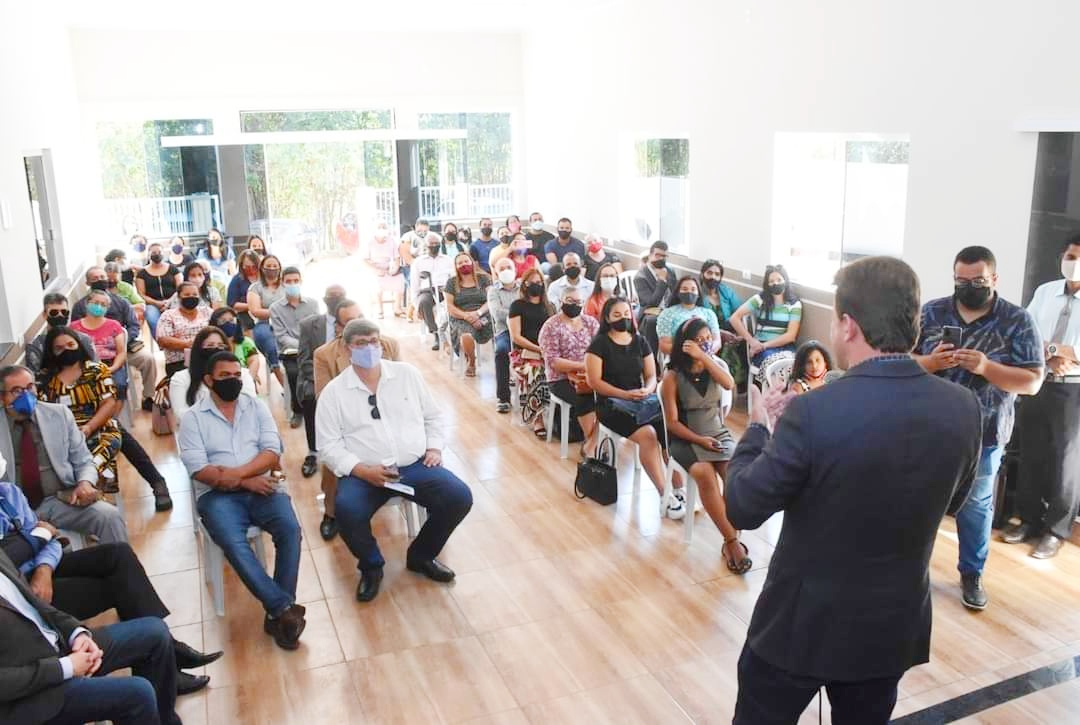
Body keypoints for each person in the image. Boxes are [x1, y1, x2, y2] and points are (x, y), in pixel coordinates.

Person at [725, 255, 982, 725]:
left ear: (847, 325)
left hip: (799, 626)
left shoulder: (815, 411)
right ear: (916, 323)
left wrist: (759, 430)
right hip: (890, 626)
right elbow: (955, 502)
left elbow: (743, 505)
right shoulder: (963, 408)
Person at [0, 472, 219, 696]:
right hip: (22, 596)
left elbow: (52, 540)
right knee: (124, 588)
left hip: (41, 569)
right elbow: (11, 556)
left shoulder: (9, 493)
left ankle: (167, 655)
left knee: (119, 555)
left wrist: (44, 566)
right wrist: (39, 536)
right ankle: (165, 663)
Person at [911, 246, 1043, 609]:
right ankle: (909, 570)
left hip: (985, 432)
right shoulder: (933, 312)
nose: (968, 287)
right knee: (922, 501)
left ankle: (971, 573)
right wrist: (930, 362)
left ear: (994, 279)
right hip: (931, 428)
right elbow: (905, 361)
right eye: (961, 281)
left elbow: (1032, 381)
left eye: (978, 281)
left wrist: (987, 368)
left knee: (976, 506)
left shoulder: (1017, 320)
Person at [316, 319, 473, 602]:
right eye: (361, 343)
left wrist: (434, 448)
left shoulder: (406, 375)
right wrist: (362, 470)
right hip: (363, 473)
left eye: (374, 341)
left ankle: (421, 556)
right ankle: (372, 567)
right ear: (347, 348)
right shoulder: (334, 393)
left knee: (459, 497)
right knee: (347, 511)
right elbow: (328, 446)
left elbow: (433, 416)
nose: (369, 348)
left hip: (413, 465)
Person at [178, 352, 306, 650]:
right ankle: (282, 609)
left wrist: (237, 475)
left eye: (237, 375)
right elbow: (201, 470)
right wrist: (246, 480)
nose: (233, 381)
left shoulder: (256, 407)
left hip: (262, 487)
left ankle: (279, 614)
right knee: (234, 544)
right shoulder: (192, 419)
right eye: (225, 377)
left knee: (290, 531)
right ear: (209, 381)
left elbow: (272, 452)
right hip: (217, 497)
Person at [0, 547, 182, 725]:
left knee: (155, 633)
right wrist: (66, 667)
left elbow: (38, 606)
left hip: (58, 648)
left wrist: (77, 633)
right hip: (32, 697)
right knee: (138, 694)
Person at [1006, 234, 1080, 559]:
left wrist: (1070, 353)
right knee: (1031, 451)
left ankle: (1056, 530)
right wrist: (1053, 352)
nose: (1072, 263)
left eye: (1078, 257)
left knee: (1066, 462)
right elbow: (1028, 332)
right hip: (1038, 378)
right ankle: (1028, 520)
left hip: (1073, 387)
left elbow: (1072, 351)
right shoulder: (1045, 291)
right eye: (1069, 255)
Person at [0, 365, 127, 544]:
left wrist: (85, 483)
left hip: (60, 500)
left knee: (109, 517)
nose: (26, 395)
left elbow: (84, 460)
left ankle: (121, 570)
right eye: (16, 391)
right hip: (15, 511)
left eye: (30, 388)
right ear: (2, 397)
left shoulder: (58, 415)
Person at [661, 317, 749, 573]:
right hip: (687, 437)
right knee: (704, 475)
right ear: (684, 344)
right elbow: (672, 423)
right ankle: (732, 542)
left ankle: (731, 536)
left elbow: (729, 384)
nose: (704, 344)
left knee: (733, 474)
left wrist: (706, 357)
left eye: (707, 339)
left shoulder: (714, 367)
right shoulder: (672, 377)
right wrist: (700, 440)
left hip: (717, 433)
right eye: (698, 340)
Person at [585, 298, 685, 519]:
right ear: (607, 319)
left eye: (626, 313)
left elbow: (651, 375)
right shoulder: (599, 344)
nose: (624, 318)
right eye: (617, 315)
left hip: (640, 401)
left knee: (670, 430)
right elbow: (595, 382)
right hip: (611, 404)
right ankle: (664, 493)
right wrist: (624, 394)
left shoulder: (640, 341)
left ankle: (679, 488)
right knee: (648, 435)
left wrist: (648, 390)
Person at [313, 300, 400, 542]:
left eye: (361, 316)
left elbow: (400, 387)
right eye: (351, 321)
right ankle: (331, 513)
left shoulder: (388, 345)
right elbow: (323, 398)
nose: (360, 324)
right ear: (340, 328)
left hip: (386, 415)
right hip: (347, 421)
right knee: (334, 455)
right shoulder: (325, 355)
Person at [38, 328, 123, 490]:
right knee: (64, 466)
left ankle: (85, 490)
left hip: (100, 429)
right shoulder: (44, 379)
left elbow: (109, 403)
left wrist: (89, 428)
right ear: (51, 351)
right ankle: (92, 495)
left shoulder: (96, 370)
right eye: (59, 348)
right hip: (62, 437)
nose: (67, 350)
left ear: (79, 345)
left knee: (93, 461)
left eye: (71, 345)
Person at [72, 267, 158, 413]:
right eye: (95, 278)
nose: (100, 280)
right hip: (92, 354)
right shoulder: (79, 306)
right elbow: (75, 335)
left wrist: (122, 340)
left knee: (148, 359)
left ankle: (148, 397)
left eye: (102, 276)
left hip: (123, 348)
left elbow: (133, 326)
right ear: (87, 282)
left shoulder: (121, 303)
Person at [539, 286, 601, 457]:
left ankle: (593, 442)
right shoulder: (551, 326)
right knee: (585, 398)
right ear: (561, 302)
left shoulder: (591, 323)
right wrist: (583, 366)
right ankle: (593, 447)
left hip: (590, 374)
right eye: (570, 301)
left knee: (610, 397)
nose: (575, 304)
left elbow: (601, 350)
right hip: (560, 379)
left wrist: (591, 368)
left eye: (578, 301)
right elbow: (552, 361)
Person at [296, 285, 346, 479]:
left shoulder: (355, 322)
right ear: (324, 300)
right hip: (317, 376)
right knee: (310, 397)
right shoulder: (309, 324)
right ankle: (313, 451)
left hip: (348, 375)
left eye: (339, 296)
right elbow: (304, 359)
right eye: (331, 296)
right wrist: (326, 379)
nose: (335, 299)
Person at [730, 264, 803, 379]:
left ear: (786, 280)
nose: (775, 283)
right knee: (773, 367)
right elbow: (734, 318)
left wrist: (764, 346)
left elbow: (791, 336)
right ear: (767, 284)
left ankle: (786, 396)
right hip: (761, 347)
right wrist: (751, 341)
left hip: (784, 346)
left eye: (779, 280)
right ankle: (770, 395)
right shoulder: (760, 299)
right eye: (771, 281)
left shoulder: (794, 304)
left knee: (794, 366)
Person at [169, 327, 258, 421]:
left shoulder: (242, 374)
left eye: (220, 345)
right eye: (210, 346)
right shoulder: (181, 378)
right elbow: (181, 415)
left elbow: (250, 407)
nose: (216, 349)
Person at [269, 267, 319, 429]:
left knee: (320, 369)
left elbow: (316, 328)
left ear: (301, 281)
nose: (292, 284)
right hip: (290, 352)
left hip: (312, 349)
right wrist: (301, 346)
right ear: (282, 283)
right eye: (288, 281)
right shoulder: (275, 308)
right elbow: (281, 336)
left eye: (295, 281)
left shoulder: (312, 303)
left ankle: (320, 406)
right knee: (294, 373)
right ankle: (298, 410)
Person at [509, 269, 554, 437]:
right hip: (525, 353)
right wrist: (538, 349)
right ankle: (537, 418)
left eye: (539, 282)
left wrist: (548, 350)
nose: (536, 285)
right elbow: (516, 336)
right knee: (537, 371)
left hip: (547, 352)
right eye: (531, 283)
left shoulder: (550, 307)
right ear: (525, 285)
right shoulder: (518, 306)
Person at [69, 289, 128, 398]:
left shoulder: (114, 325)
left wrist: (111, 369)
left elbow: (121, 352)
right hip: (85, 366)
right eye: (96, 303)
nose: (99, 307)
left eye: (103, 304)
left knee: (120, 386)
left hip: (110, 364)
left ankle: (114, 414)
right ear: (87, 304)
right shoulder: (74, 327)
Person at [444, 252, 493, 377]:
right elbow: (449, 306)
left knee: (492, 325)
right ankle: (471, 361)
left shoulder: (483, 278)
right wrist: (466, 316)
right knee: (466, 335)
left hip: (484, 315)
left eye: (466, 261)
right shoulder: (451, 282)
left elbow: (491, 300)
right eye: (460, 263)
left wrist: (478, 313)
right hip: (461, 317)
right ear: (455, 266)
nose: (463, 264)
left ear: (472, 262)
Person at [700, 259, 747, 389]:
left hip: (728, 328)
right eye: (709, 273)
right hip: (706, 331)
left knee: (744, 343)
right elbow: (698, 321)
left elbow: (740, 312)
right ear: (703, 273)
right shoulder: (697, 293)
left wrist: (740, 333)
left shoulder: (725, 291)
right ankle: (721, 383)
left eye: (717, 274)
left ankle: (738, 385)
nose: (713, 277)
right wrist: (720, 333)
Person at [246, 254, 287, 390]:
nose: (272, 269)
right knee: (272, 347)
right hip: (265, 324)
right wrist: (278, 312)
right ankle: (288, 390)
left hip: (288, 323)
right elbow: (255, 310)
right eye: (268, 266)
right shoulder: (255, 288)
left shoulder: (286, 285)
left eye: (275, 266)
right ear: (262, 269)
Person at [655, 276, 722, 357]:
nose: (689, 292)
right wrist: (690, 352)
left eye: (693, 289)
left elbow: (717, 342)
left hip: (706, 356)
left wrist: (705, 352)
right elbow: (664, 346)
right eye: (685, 289)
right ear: (678, 292)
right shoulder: (667, 313)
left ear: (698, 294)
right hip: (678, 357)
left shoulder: (708, 313)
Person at [156, 281, 212, 377]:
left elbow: (217, 332)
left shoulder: (207, 312)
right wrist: (191, 344)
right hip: (179, 362)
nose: (191, 297)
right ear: (178, 297)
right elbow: (163, 340)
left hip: (207, 358)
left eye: (195, 294)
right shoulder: (168, 315)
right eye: (187, 294)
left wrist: (179, 342)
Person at [488, 258, 520, 414]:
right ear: (496, 272)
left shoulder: (523, 288)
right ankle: (503, 398)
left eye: (509, 267)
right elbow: (497, 314)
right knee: (501, 351)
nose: (506, 270)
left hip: (525, 330)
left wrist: (517, 316)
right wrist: (519, 315)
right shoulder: (493, 291)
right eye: (502, 268)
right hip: (505, 331)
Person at [412, 236, 455, 351]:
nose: (434, 246)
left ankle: (455, 331)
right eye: (431, 243)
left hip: (446, 289)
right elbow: (415, 284)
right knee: (424, 302)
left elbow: (454, 278)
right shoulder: (418, 262)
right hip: (428, 290)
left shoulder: (448, 260)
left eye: (437, 243)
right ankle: (436, 333)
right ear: (426, 246)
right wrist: (416, 306)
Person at [634, 240, 674, 355]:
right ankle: (651, 359)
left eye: (664, 256)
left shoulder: (670, 271)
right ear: (650, 255)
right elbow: (651, 303)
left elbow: (675, 292)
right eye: (657, 255)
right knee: (653, 322)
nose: (661, 259)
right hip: (649, 313)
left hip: (669, 309)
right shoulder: (640, 277)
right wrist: (662, 281)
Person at [135, 241, 182, 339]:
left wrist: (169, 302)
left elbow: (180, 288)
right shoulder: (142, 273)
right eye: (153, 253)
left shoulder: (173, 269)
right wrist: (157, 303)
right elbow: (141, 294)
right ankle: (162, 342)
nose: (157, 255)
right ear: (149, 254)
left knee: (178, 319)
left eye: (159, 252)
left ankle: (177, 340)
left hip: (173, 301)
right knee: (152, 319)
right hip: (152, 304)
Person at [209, 306, 262, 392]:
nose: (228, 323)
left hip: (244, 385)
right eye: (222, 321)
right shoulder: (211, 345)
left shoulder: (246, 342)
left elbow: (254, 361)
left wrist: (249, 379)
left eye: (231, 320)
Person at [365, 222, 405, 318]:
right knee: (378, 283)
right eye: (379, 227)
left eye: (384, 227)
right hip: (374, 267)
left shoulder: (391, 241)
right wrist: (376, 269)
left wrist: (395, 268)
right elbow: (364, 260)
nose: (382, 229)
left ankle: (397, 308)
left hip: (388, 266)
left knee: (399, 279)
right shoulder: (370, 242)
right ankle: (380, 310)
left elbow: (396, 257)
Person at [103, 252, 146, 321]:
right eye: (109, 278)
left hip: (126, 318)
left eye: (114, 279)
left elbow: (141, 305)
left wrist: (124, 308)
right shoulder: (100, 288)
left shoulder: (126, 287)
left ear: (120, 276)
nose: (111, 281)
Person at [227, 248, 262, 331]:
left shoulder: (264, 278)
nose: (251, 269)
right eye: (247, 267)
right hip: (245, 316)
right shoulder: (237, 279)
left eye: (254, 267)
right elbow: (232, 304)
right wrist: (253, 306)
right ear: (242, 265)